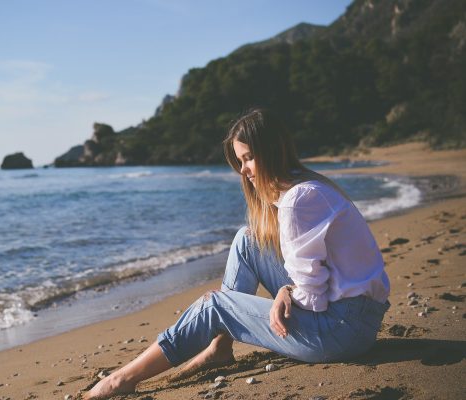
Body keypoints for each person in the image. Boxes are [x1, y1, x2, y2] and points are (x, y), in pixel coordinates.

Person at [84, 108, 390, 399]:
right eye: (240, 160)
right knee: (247, 240)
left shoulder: (298, 200)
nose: (243, 170)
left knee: (214, 306)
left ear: (271, 151)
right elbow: (319, 281)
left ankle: (120, 379)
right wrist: (288, 289)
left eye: (249, 158)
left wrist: (287, 291)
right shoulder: (307, 186)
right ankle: (219, 348)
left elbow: (313, 298)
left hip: (341, 332)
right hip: (354, 318)